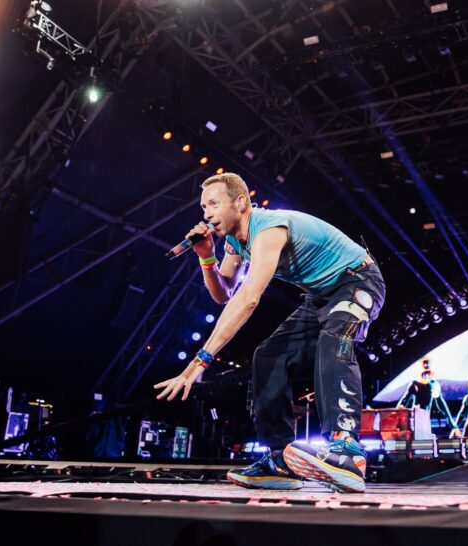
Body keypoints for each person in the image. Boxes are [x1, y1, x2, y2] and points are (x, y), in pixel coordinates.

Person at [154, 173, 385, 493]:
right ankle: (281, 460)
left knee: (335, 341)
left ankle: (347, 452)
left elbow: (247, 298)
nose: (207, 213)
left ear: (241, 203)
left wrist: (199, 363)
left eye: (214, 204)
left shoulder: (269, 229)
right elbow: (223, 293)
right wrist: (207, 257)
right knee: (268, 356)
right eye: (203, 207)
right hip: (320, 296)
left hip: (357, 281)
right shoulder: (234, 241)